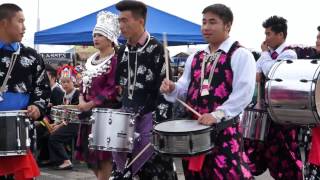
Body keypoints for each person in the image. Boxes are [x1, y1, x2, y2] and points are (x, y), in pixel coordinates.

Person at [161, 3, 256, 180]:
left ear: (227, 26)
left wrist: (217, 115)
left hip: (223, 131)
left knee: (225, 175)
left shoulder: (240, 54)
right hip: (194, 131)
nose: (206, 27)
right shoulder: (195, 57)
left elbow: (243, 94)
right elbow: (183, 89)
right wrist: (172, 88)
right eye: (204, 22)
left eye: (212, 22)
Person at [112, 1, 176, 179]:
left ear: (141, 21)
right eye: (120, 21)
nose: (121, 26)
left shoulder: (158, 50)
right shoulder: (122, 50)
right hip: (125, 124)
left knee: (152, 172)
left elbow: (166, 95)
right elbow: (120, 89)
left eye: (125, 20)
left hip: (150, 124)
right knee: (123, 172)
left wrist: (158, 129)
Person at [243, 15, 303, 179]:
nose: (266, 38)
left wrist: (264, 56)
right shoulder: (269, 54)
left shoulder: (289, 53)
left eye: (269, 34)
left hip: (283, 115)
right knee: (266, 152)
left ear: (281, 35)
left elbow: (273, 73)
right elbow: (256, 76)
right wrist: (265, 60)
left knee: (285, 155)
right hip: (267, 113)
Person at [0, 3, 50, 180]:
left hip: (21, 132)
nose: (24, 27)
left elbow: (43, 89)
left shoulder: (32, 56)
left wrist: (37, 106)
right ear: (4, 23)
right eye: (20, 21)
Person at [75, 11, 121, 180]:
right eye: (94, 35)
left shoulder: (115, 60)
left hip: (105, 116)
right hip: (87, 115)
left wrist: (91, 103)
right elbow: (82, 84)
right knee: (89, 157)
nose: (96, 38)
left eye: (100, 35)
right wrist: (81, 99)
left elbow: (112, 89)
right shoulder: (91, 60)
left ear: (110, 38)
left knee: (103, 156)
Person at [47, 65, 80, 170]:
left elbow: (73, 114)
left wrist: (59, 125)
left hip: (75, 123)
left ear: (73, 82)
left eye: (68, 82)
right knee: (50, 133)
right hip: (67, 122)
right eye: (63, 82)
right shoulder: (65, 95)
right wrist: (56, 124)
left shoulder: (77, 94)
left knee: (54, 137)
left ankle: (66, 161)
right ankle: (56, 161)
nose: (65, 84)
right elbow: (63, 114)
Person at [36, 64, 64, 166]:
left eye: (45, 76)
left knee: (39, 129)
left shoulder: (58, 91)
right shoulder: (46, 90)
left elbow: (58, 112)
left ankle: (44, 157)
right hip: (46, 119)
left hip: (55, 122)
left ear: (53, 77)